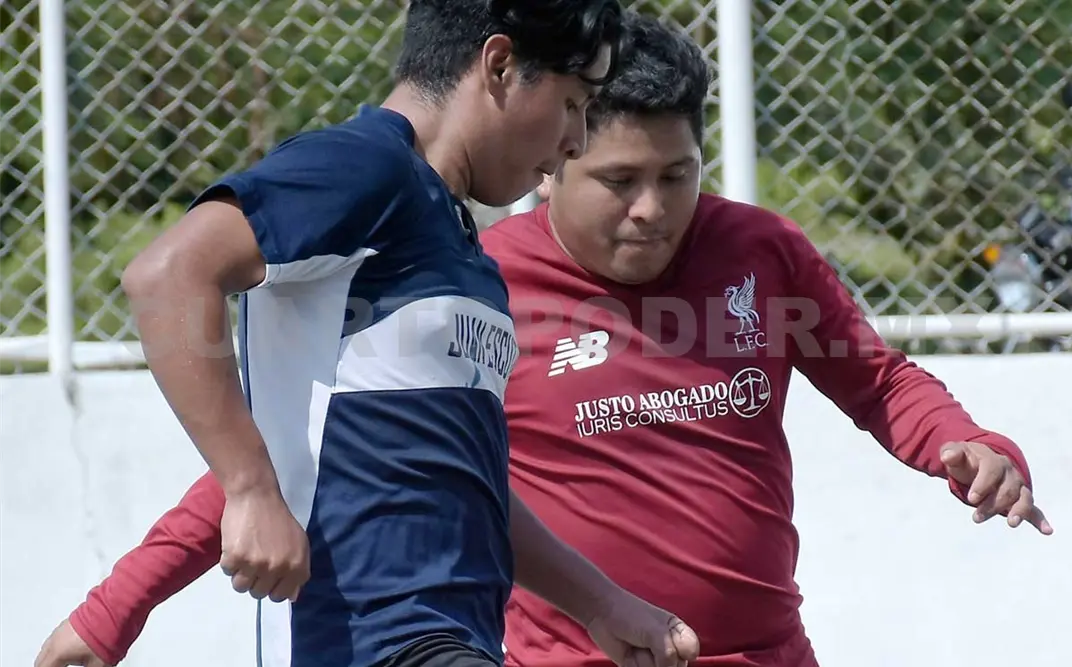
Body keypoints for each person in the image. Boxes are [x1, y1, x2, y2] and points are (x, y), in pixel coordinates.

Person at [37, 10, 1050, 667]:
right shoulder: (447, 245)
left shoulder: (751, 253)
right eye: (614, 174)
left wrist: (967, 440)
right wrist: (120, 602)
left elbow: (876, 377)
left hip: (737, 647)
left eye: (678, 176)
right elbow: (299, 441)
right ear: (556, 157)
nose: (652, 209)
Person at [33, 4, 707, 667]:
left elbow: (459, 479)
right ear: (499, 65)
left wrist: (600, 603)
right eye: (572, 102)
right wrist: (249, 491)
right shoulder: (366, 168)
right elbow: (168, 275)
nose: (576, 139)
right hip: (365, 636)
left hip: (453, 639)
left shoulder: (464, 253)